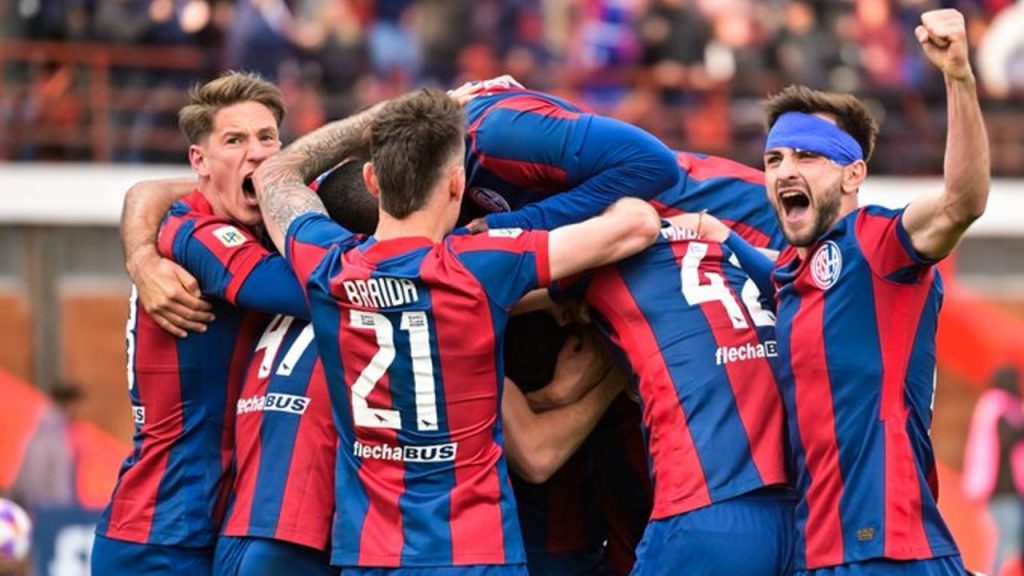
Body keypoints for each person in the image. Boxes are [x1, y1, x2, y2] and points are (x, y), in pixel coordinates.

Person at [251, 88, 661, 573]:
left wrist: (376, 119)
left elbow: (275, 173)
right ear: (455, 184)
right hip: (474, 551)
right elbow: (639, 223)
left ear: (371, 179)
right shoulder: (482, 266)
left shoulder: (324, 261)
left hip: (370, 553)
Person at [699, 9, 989, 575]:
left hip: (888, 547)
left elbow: (962, 202)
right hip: (817, 549)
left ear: (853, 175)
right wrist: (717, 235)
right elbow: (777, 268)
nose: (786, 170)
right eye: (774, 159)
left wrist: (958, 76)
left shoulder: (876, 242)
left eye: (808, 156)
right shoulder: (789, 275)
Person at [92, 71, 309, 576]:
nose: (255, 153)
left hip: (213, 530)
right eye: (233, 140)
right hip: (159, 537)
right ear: (200, 161)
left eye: (267, 138)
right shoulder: (197, 233)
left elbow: (147, 189)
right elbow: (317, 289)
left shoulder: (236, 220)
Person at [963, 365, 1024, 576]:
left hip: (999, 488)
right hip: (1002, 489)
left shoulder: (996, 406)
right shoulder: (999, 406)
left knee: (1003, 542)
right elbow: (1006, 439)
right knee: (1006, 543)